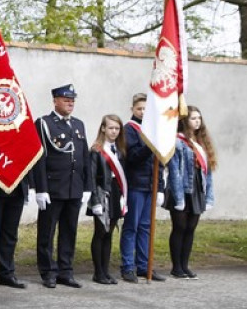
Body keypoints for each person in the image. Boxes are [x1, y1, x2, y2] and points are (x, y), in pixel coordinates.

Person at [33, 84, 92, 288]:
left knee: (69, 231)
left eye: (72, 100)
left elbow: (85, 157)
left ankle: (66, 271)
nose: (70, 103)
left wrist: (87, 187)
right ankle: (48, 271)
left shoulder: (78, 125)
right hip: (53, 188)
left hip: (74, 188)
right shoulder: (44, 123)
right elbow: (39, 159)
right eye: (66, 99)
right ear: (55, 101)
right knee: (47, 232)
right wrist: (40, 189)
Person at [119, 93, 166, 283]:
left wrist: (160, 187)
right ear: (133, 110)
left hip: (150, 185)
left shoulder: (153, 129)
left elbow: (160, 161)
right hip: (136, 184)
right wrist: (149, 145)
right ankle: (128, 266)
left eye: (146, 109)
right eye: (139, 108)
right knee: (132, 226)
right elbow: (132, 157)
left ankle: (144, 266)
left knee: (146, 227)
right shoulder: (130, 130)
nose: (143, 112)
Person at [165, 105, 216, 279]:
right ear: (185, 121)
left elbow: (207, 171)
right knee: (179, 226)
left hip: (197, 188)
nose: (197, 121)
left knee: (191, 228)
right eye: (193, 118)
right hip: (181, 188)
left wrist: (209, 195)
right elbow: (174, 171)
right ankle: (176, 267)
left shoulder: (201, 142)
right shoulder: (178, 141)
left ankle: (185, 265)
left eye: (199, 118)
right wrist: (179, 197)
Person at [87, 114, 128, 285]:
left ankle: (106, 270)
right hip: (101, 193)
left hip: (116, 194)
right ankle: (98, 272)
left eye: (117, 128)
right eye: (111, 128)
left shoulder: (121, 150)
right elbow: (91, 176)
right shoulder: (96, 150)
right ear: (103, 128)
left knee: (109, 233)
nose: (114, 131)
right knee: (100, 232)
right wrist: (95, 201)